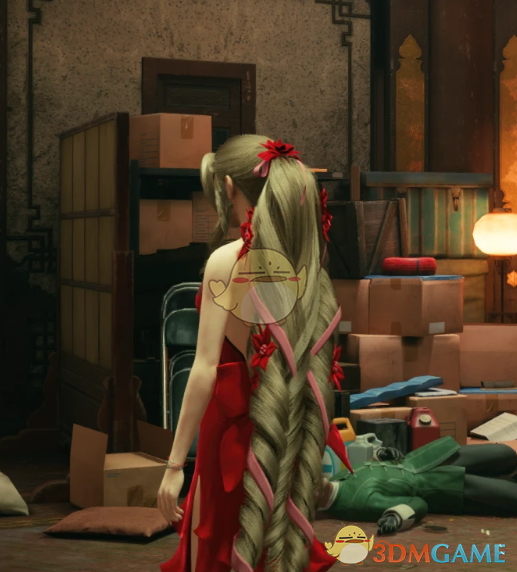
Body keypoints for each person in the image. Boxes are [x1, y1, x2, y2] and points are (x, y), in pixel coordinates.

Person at [157, 135, 352, 572]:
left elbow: (204, 369)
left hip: (230, 437)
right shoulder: (306, 262)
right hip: (286, 427)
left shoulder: (227, 262)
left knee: (217, 547)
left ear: (229, 187)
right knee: (275, 544)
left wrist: (174, 465)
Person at [319, 436, 517, 534]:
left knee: (506, 454)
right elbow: (417, 502)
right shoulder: (356, 502)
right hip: (436, 484)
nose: (312, 478)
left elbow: (370, 469)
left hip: (424, 459)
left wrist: (381, 455)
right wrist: (396, 516)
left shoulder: (337, 477)